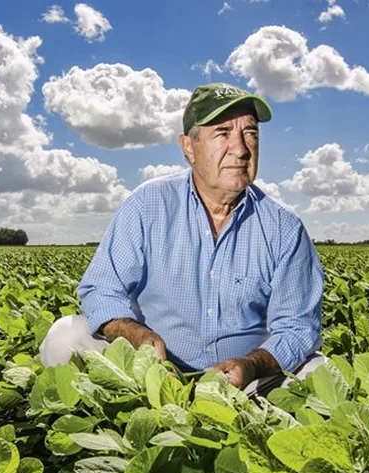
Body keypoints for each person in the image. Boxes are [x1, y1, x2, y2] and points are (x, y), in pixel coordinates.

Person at [39, 82, 326, 396]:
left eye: (251, 133)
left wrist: (252, 364)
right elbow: (102, 289)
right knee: (64, 336)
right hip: (150, 373)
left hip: (246, 383)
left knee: (318, 372)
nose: (241, 149)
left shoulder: (284, 227)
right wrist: (135, 335)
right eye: (223, 133)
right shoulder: (148, 204)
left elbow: (297, 327)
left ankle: (254, 421)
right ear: (189, 147)